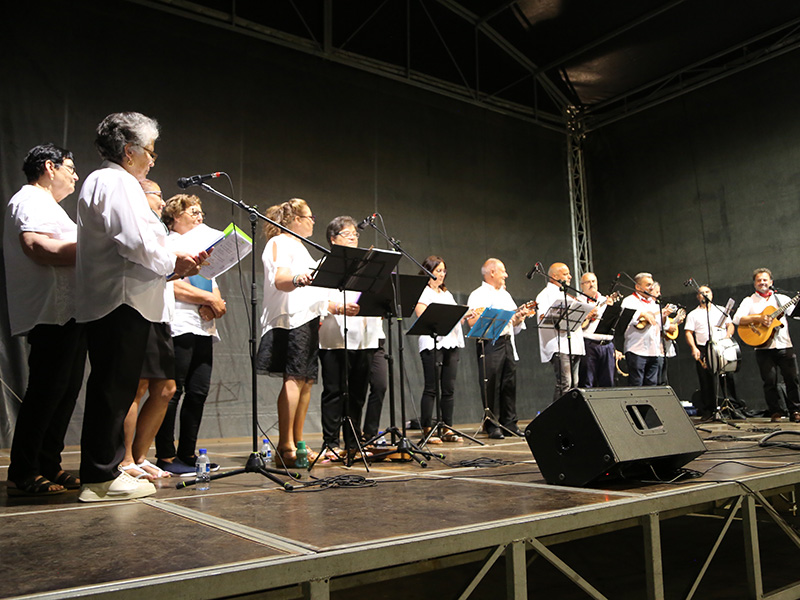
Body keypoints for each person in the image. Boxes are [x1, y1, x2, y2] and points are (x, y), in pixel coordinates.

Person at [75, 112, 204, 502]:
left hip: (128, 299)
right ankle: (99, 477)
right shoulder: (115, 181)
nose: (152, 159)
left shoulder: (116, 182)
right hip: (120, 300)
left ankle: (108, 470)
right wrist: (173, 263)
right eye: (149, 152)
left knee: (116, 387)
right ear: (129, 151)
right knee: (112, 389)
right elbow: (133, 242)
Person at [4, 143, 85, 496]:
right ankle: (23, 472)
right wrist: (99, 251)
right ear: (50, 167)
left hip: (69, 312)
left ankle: (49, 463)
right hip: (50, 314)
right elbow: (36, 247)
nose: (76, 175)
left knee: (65, 392)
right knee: (46, 392)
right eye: (71, 167)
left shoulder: (51, 206)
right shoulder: (30, 199)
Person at [150, 193, 227, 475]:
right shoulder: (168, 244)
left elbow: (212, 286)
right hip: (178, 324)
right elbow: (173, 286)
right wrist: (208, 301)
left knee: (198, 391)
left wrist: (215, 304)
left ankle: (188, 453)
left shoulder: (204, 248)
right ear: (175, 217)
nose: (199, 217)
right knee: (173, 391)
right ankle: (166, 456)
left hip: (203, 329)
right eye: (192, 212)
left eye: (201, 213)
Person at [256, 199, 327, 467]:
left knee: (306, 380)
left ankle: (298, 442)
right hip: (290, 319)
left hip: (307, 318)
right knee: (295, 377)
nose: (312, 221)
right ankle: (284, 444)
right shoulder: (281, 242)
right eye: (309, 216)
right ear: (294, 218)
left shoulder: (301, 247)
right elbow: (281, 279)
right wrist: (299, 279)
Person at [118, 179, 177, 480]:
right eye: (158, 194)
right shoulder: (135, 222)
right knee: (136, 386)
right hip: (138, 309)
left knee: (166, 388)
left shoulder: (159, 228)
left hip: (160, 313)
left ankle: (140, 455)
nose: (162, 202)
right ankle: (125, 458)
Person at [317, 216, 382, 459]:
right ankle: (331, 442)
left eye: (355, 233)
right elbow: (316, 299)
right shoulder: (325, 263)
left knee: (358, 392)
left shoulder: (369, 265)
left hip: (365, 336)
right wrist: (336, 307)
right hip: (334, 337)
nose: (354, 237)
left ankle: (353, 442)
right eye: (347, 234)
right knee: (334, 391)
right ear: (333, 239)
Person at [466, 258, 530, 439]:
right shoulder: (477, 295)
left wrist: (520, 317)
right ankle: (492, 424)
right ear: (491, 272)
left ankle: (510, 422)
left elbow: (513, 322)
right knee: (491, 383)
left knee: (509, 383)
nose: (506, 275)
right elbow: (472, 322)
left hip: (507, 341)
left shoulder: (505, 295)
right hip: (490, 343)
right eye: (503, 271)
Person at [733, 268, 800, 422]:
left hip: (784, 344)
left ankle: (795, 411)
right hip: (763, 347)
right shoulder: (749, 300)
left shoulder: (781, 299)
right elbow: (738, 319)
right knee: (770, 382)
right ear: (754, 283)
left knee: (792, 379)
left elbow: (795, 314)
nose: (762, 282)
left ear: (771, 282)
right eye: (759, 280)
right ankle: (775, 412)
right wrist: (759, 318)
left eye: (765, 280)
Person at [414, 255, 465, 443]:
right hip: (432, 343)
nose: (442, 274)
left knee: (448, 388)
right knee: (431, 388)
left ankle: (447, 427)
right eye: (438, 270)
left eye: (444, 270)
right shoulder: (423, 292)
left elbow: (454, 316)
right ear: (429, 271)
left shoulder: (446, 294)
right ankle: (428, 427)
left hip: (450, 342)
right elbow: (423, 316)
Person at [685, 285, 739, 419]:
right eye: (701, 293)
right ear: (698, 297)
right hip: (704, 347)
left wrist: (728, 336)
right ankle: (709, 410)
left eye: (707, 292)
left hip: (721, 346)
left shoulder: (721, 310)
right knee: (706, 380)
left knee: (727, 377)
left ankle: (732, 408)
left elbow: (730, 325)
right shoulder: (693, 314)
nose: (704, 294)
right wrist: (694, 348)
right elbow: (688, 332)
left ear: (712, 294)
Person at [535, 262, 585, 401]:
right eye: (565, 274)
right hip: (559, 345)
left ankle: (570, 418)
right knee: (565, 384)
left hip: (573, 344)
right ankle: (557, 419)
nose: (570, 276)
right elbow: (544, 318)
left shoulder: (567, 295)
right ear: (554, 276)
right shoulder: (545, 295)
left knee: (574, 385)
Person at [620, 272, 677, 386]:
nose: (651, 287)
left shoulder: (655, 303)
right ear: (638, 286)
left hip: (654, 350)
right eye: (648, 285)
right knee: (637, 384)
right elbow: (629, 319)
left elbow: (663, 327)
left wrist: (664, 315)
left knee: (652, 385)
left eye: (651, 284)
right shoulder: (629, 300)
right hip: (636, 349)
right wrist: (643, 315)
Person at [578, 272, 622, 388]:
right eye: (587, 282)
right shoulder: (577, 301)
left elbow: (612, 325)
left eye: (593, 281)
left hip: (607, 345)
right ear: (581, 285)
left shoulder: (605, 300)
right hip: (588, 344)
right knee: (587, 381)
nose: (591, 284)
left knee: (608, 382)